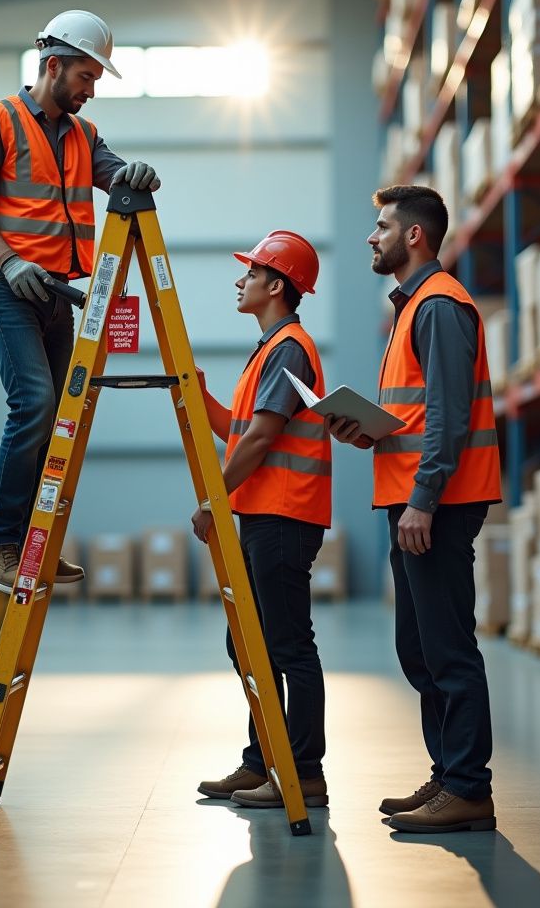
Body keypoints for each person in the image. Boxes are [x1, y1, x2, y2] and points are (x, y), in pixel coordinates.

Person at [0, 9, 161, 593]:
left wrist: (134, 171)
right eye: (86, 78)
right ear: (54, 66)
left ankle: (31, 545)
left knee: (59, 420)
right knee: (36, 404)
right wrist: (10, 260)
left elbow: (112, 171)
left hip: (57, 295)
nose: (90, 91)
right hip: (5, 287)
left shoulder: (82, 135)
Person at [327, 184, 502, 834]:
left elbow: (452, 419)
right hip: (412, 498)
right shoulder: (411, 309)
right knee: (419, 649)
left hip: (439, 505)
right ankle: (447, 772)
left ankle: (468, 788)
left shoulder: (439, 306)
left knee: (449, 648)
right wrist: (369, 428)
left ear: (414, 237)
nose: (372, 237)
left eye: (381, 227)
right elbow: (419, 413)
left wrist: (423, 501)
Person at [191, 230, 332, 810]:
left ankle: (302, 773)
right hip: (262, 513)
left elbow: (264, 439)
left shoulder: (289, 347)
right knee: (248, 643)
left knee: (288, 645)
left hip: (283, 513)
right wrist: (198, 395)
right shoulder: (268, 350)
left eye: (249, 273)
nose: (239, 281)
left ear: (276, 285)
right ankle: (262, 761)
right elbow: (239, 432)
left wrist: (212, 500)